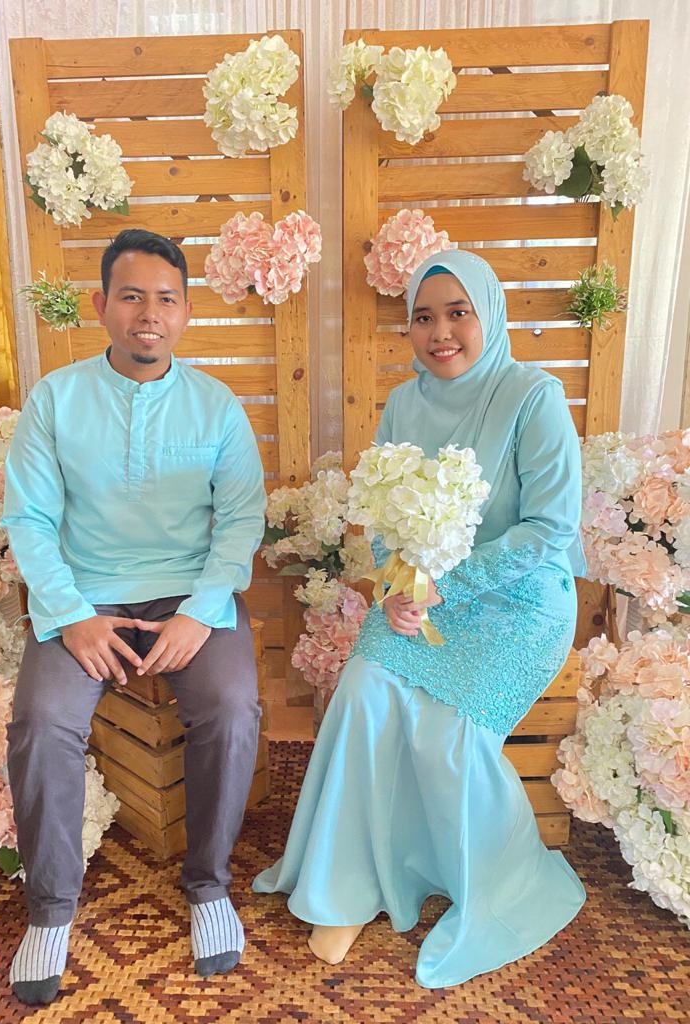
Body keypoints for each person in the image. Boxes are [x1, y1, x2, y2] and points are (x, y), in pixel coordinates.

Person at [253, 248, 586, 988]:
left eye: (458, 313)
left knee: (448, 734)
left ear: (488, 314)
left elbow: (550, 529)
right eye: (424, 318)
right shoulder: (404, 404)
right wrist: (395, 585)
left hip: (520, 601)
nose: (440, 333)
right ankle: (346, 886)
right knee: (363, 691)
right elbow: (384, 517)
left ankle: (480, 881)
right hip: (418, 595)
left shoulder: (533, 396)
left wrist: (447, 585)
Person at [2, 229, 266, 1005]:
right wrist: (71, 616)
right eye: (131, 296)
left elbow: (240, 523)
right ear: (101, 305)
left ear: (185, 312)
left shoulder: (217, 406)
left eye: (166, 299)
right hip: (84, 596)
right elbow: (28, 519)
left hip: (191, 595)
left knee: (232, 707)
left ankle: (208, 884)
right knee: (42, 719)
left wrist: (201, 614)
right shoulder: (55, 399)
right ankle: (50, 909)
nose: (149, 314)